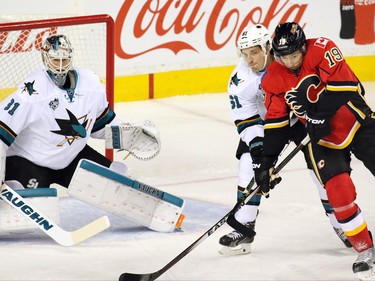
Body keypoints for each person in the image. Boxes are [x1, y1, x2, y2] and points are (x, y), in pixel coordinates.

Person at [218, 24, 350, 256]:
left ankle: (344, 225)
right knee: (249, 163)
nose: (250, 60)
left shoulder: (289, 59)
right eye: (245, 54)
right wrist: (260, 151)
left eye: (255, 52)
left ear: (268, 47)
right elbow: (246, 119)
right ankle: (244, 226)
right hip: (270, 125)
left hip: (302, 119)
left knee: (321, 170)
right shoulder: (240, 80)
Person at [259, 22, 375, 279]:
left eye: (294, 55)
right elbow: (276, 122)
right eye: (283, 57)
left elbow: (347, 85)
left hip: (356, 121)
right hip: (322, 141)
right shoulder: (273, 78)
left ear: (303, 46)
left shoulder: (322, 48)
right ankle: (365, 248)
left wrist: (320, 116)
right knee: (338, 193)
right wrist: (266, 159)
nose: (289, 62)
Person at [0, 34, 158, 192]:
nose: (60, 66)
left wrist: (130, 135)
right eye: (55, 60)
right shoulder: (32, 92)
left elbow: (100, 126)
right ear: (45, 58)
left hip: (71, 157)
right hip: (28, 161)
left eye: (65, 60)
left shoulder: (90, 83)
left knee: (118, 185)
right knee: (34, 206)